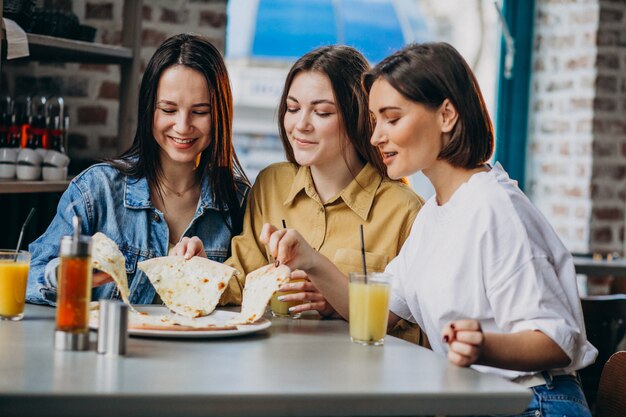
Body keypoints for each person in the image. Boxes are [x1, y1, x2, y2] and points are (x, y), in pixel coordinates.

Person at [261, 42, 597, 416]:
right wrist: (310, 260)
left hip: (533, 402)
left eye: (392, 118)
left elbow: (557, 339)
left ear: (447, 115)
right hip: (480, 399)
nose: (375, 137)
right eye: (374, 121)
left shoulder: (495, 208)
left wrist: (482, 346)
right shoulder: (435, 213)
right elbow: (381, 312)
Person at [175, 45, 425, 344]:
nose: (300, 125)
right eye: (292, 109)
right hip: (273, 368)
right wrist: (202, 270)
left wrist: (338, 302)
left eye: (321, 112)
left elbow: (414, 329)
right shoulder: (271, 184)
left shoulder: (405, 211)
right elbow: (241, 282)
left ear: (359, 116)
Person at [26, 34, 249, 306]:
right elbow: (28, 275)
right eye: (168, 109)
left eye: (200, 112)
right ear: (148, 110)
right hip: (108, 347)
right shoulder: (97, 190)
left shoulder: (238, 201)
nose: (182, 125)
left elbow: (251, 296)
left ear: (220, 116)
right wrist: (65, 274)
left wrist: (210, 280)